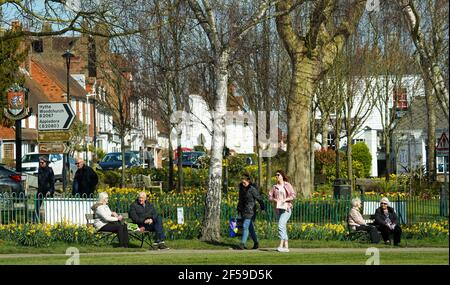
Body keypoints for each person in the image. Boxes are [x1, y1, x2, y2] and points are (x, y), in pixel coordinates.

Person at [268, 170, 296, 253]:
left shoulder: (287, 185)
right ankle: (286, 246)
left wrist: (285, 199)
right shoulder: (274, 187)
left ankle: (281, 245)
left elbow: (293, 195)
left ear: (282, 176)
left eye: (278, 175)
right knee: (283, 226)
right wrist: (274, 199)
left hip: (286, 208)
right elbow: (269, 196)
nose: (276, 176)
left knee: (280, 225)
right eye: (275, 175)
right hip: (278, 209)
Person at [235, 174, 265, 250]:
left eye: (244, 182)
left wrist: (263, 208)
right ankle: (256, 243)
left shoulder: (252, 189)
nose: (243, 183)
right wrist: (238, 208)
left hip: (251, 211)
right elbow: (240, 200)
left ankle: (242, 244)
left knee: (245, 226)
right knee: (250, 228)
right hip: (243, 211)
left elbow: (259, 199)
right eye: (242, 182)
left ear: (248, 181)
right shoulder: (241, 189)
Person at [35, 156, 55, 222]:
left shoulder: (50, 170)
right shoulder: (39, 169)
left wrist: (50, 191)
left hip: (48, 191)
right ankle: (35, 220)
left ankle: (50, 220)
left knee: (50, 207)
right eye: (40, 162)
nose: (41, 164)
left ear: (46, 163)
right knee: (37, 206)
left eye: (42, 162)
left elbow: (52, 182)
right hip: (40, 191)